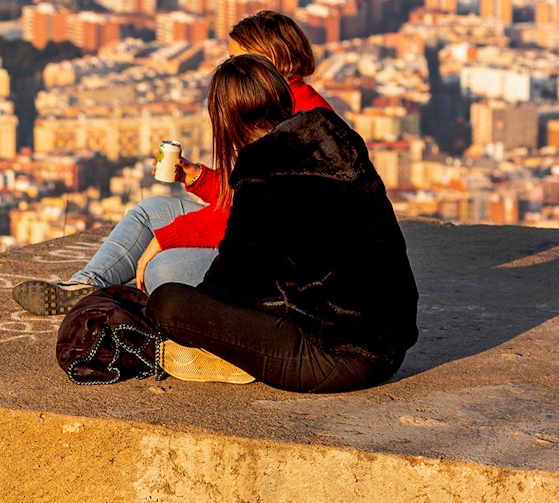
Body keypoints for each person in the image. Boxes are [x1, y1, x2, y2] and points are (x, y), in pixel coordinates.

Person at [57, 55, 418, 392]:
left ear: (227, 118)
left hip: (334, 357)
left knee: (167, 303)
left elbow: (235, 284)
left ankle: (234, 360)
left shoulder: (263, 174)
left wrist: (177, 307)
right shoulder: (332, 139)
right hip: (389, 341)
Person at [13, 10, 334, 316]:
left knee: (162, 270)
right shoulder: (288, 101)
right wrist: (197, 177)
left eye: (238, 60)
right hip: (262, 238)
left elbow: (257, 220)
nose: (230, 68)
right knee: (150, 210)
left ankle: (124, 297)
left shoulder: (296, 120)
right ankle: (85, 286)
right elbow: (250, 194)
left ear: (267, 59)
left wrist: (170, 237)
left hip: (284, 265)